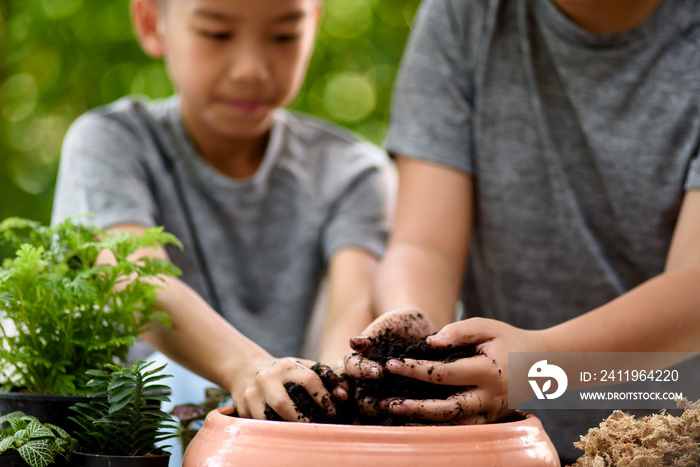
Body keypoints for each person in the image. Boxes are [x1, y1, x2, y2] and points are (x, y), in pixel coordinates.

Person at [344, 0, 700, 462]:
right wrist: (418, 344)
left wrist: (539, 363)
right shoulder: (465, 15)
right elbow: (423, 245)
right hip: (505, 442)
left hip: (674, 432)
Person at [51, 0, 396, 423]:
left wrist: (329, 399)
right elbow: (135, 280)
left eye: (284, 36)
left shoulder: (354, 172)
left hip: (285, 443)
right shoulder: (112, 143)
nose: (250, 70)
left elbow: (353, 312)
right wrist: (246, 368)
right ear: (150, 22)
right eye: (217, 34)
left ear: (314, 23)